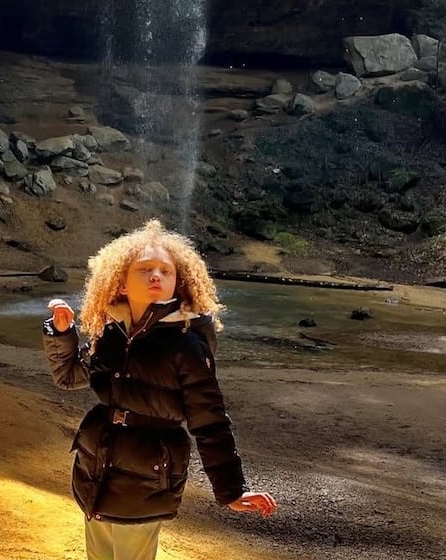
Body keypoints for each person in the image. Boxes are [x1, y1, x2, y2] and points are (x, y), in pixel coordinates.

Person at [42, 219, 276, 559]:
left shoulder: (187, 344)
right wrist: (62, 334)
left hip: (148, 477)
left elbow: (209, 420)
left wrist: (231, 489)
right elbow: (69, 376)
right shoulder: (111, 332)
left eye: (166, 271)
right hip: (94, 471)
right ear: (120, 282)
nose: (156, 276)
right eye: (145, 269)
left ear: (177, 283)